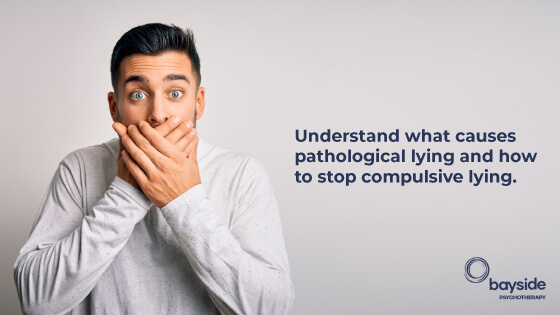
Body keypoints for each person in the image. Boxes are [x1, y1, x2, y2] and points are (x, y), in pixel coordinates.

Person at [13, 23, 294, 315]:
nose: (158, 114)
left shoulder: (242, 175)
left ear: (198, 103)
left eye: (175, 93)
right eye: (138, 95)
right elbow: (36, 303)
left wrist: (182, 200)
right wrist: (126, 192)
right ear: (114, 106)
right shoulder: (80, 169)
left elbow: (270, 308)